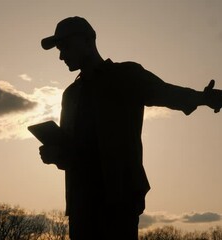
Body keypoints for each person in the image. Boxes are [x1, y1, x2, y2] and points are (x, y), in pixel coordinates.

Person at [39, 16, 222, 239]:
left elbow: (166, 93)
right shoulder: (70, 94)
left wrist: (204, 98)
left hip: (119, 200)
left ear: (88, 41)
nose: (61, 55)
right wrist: (54, 154)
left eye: (66, 46)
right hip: (81, 204)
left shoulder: (125, 75)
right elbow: (71, 151)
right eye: (59, 49)